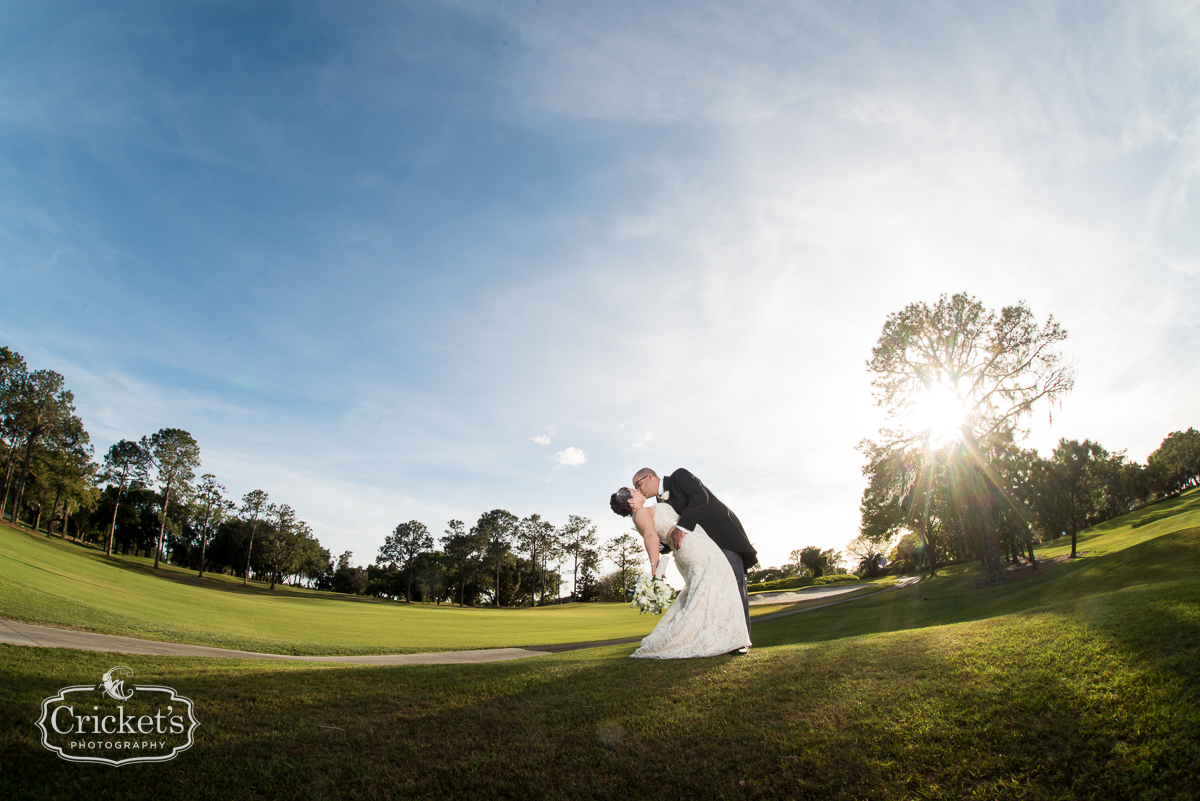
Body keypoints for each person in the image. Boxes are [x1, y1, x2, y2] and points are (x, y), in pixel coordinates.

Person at [610, 485, 751, 659]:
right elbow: (651, 536)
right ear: (631, 501)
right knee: (716, 579)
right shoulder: (639, 514)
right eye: (634, 491)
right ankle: (719, 636)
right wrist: (655, 565)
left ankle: (720, 634)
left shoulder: (644, 511)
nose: (638, 491)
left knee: (709, 586)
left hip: (694, 542)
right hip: (692, 547)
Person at [633, 467, 756, 641]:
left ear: (650, 477)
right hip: (703, 551)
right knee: (716, 591)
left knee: (735, 586)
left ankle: (742, 640)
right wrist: (658, 545)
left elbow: (700, 496)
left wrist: (681, 528)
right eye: (636, 488)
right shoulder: (659, 503)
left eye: (639, 484)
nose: (639, 490)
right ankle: (723, 639)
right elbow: (670, 534)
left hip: (722, 536)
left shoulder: (679, 476)